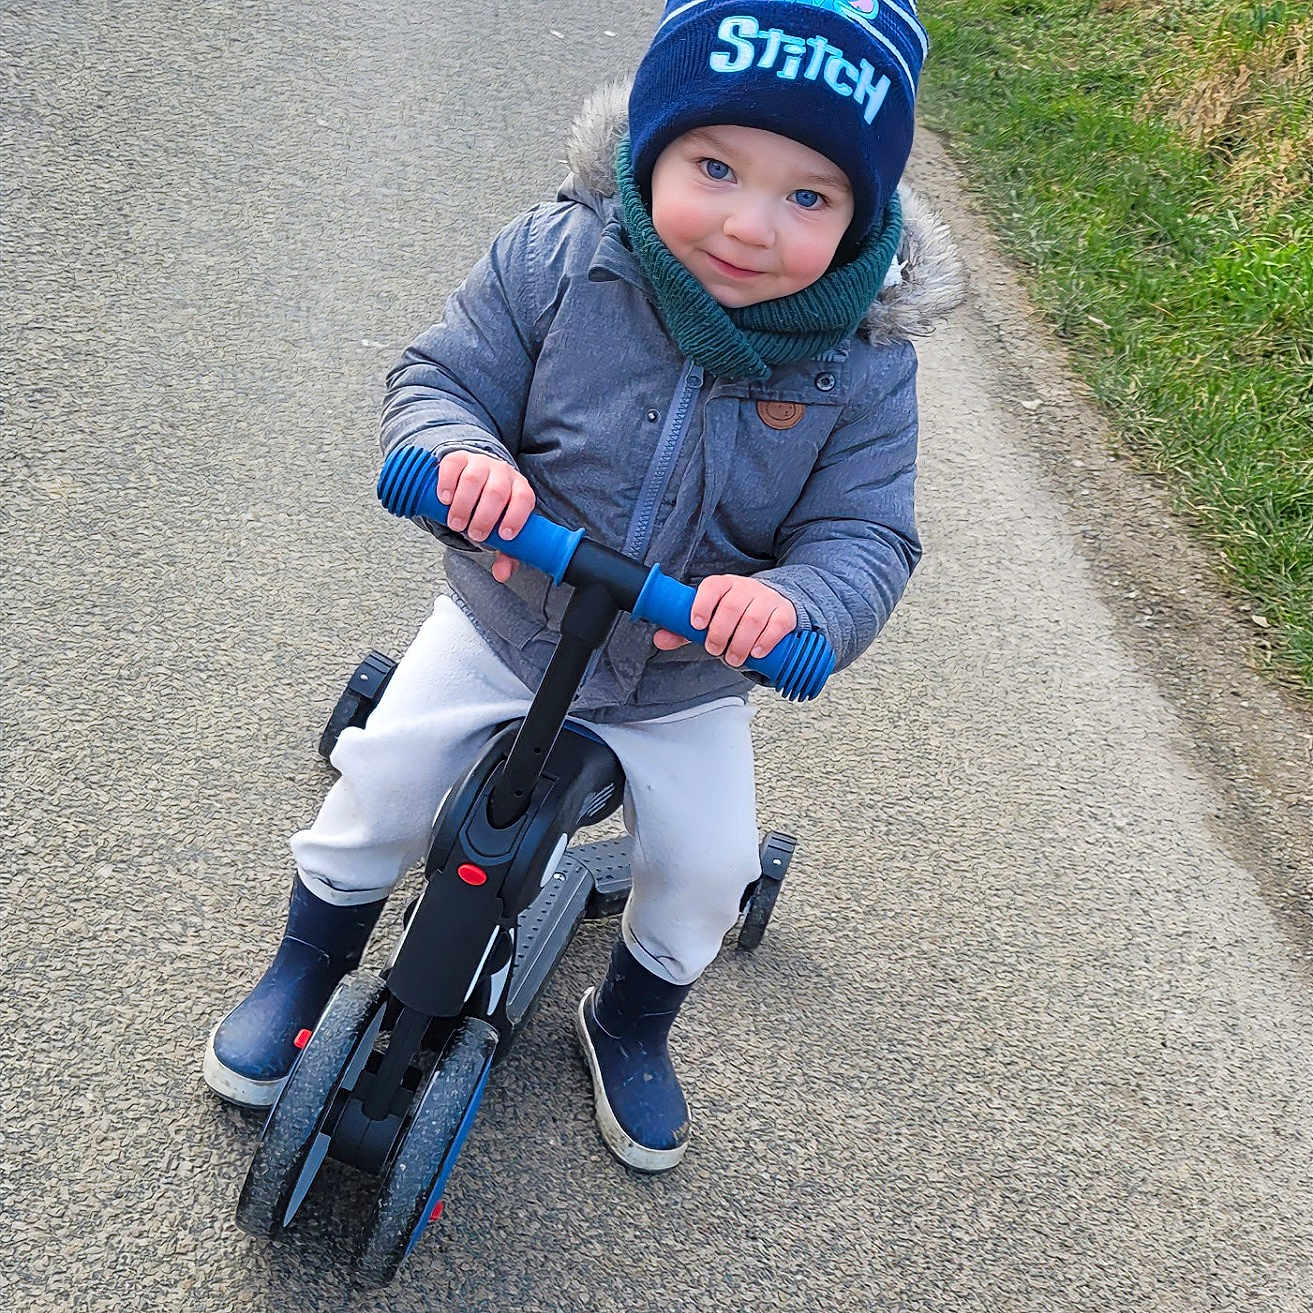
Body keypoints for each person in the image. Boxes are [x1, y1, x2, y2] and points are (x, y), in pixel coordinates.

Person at [204, 0, 963, 1172]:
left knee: (705, 870)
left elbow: (866, 531)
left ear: (863, 215)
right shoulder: (558, 256)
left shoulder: (860, 367)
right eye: (715, 166)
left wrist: (795, 606)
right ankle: (307, 957)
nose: (749, 227)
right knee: (383, 778)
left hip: (680, 679)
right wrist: (463, 461)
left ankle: (630, 1021)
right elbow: (442, 377)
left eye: (807, 197)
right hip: (508, 618)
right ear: (651, 143)